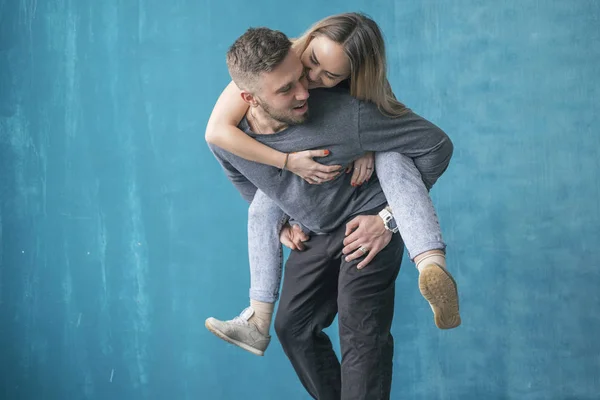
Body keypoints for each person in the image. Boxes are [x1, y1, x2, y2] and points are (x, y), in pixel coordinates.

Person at [207, 25, 459, 399]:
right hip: (318, 223)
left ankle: (429, 259)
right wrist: (282, 223)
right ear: (251, 97)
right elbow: (239, 166)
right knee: (293, 326)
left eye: (327, 76)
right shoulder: (233, 133)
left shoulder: (349, 113)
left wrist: (388, 218)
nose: (307, 88)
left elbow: (436, 145)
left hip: (368, 215)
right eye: (305, 71)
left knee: (360, 329)